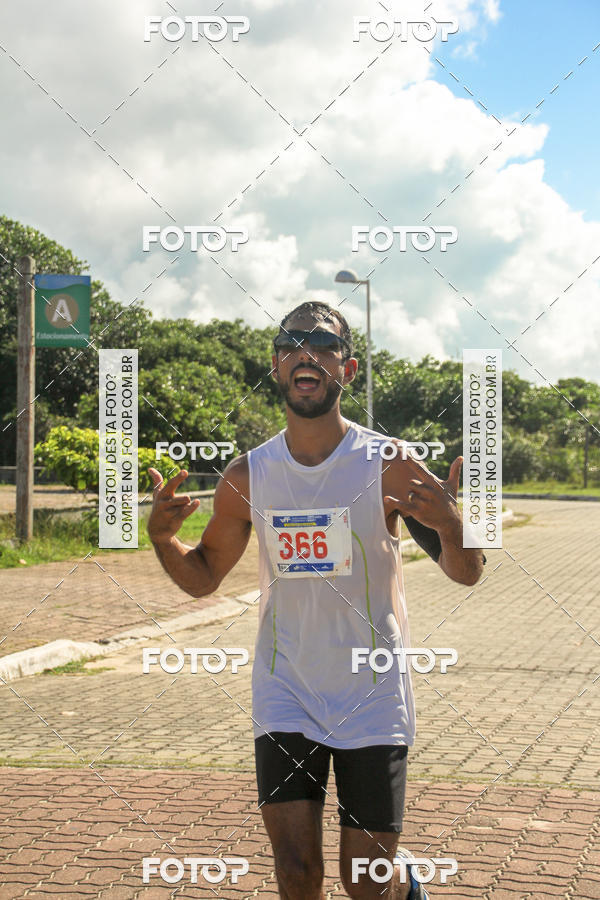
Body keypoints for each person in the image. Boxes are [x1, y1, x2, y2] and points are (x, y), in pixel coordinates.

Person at [148, 301, 484, 899]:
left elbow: (466, 574)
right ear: (277, 366)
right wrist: (162, 538)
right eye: (291, 343)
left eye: (322, 344)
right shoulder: (247, 477)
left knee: (365, 882)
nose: (306, 352)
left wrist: (454, 526)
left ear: (346, 370)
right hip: (286, 689)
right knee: (298, 874)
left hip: (372, 690)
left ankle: (407, 885)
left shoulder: (389, 464)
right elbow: (202, 578)